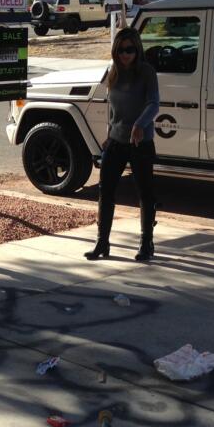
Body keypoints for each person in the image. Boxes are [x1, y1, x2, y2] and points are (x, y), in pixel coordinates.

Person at [85, 27, 159, 262]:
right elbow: (113, 109)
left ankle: (146, 243)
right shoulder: (114, 72)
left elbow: (154, 104)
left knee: (145, 193)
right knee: (105, 190)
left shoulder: (146, 72)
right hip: (117, 140)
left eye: (130, 50)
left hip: (140, 141)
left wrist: (139, 124)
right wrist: (109, 134)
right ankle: (102, 242)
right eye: (120, 50)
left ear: (138, 49)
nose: (125, 54)